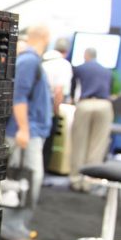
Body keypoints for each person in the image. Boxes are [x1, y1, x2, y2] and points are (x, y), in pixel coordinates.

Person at [2, 25, 53, 240]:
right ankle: (10, 227)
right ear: (46, 37)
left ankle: (16, 226)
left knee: (25, 180)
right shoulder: (30, 61)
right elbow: (19, 96)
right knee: (23, 181)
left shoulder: (30, 60)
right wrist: (23, 129)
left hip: (29, 131)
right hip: (25, 133)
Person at [69, 47, 114, 191]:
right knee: (97, 145)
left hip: (85, 104)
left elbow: (73, 88)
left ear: (85, 55)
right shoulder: (107, 71)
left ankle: (76, 180)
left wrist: (72, 99)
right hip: (104, 105)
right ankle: (89, 182)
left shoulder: (79, 68)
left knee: (79, 143)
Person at [41, 37, 73, 167]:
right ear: (67, 51)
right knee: (46, 143)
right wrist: (56, 111)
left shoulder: (41, 59)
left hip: (34, 106)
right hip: (48, 108)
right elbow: (59, 90)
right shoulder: (63, 64)